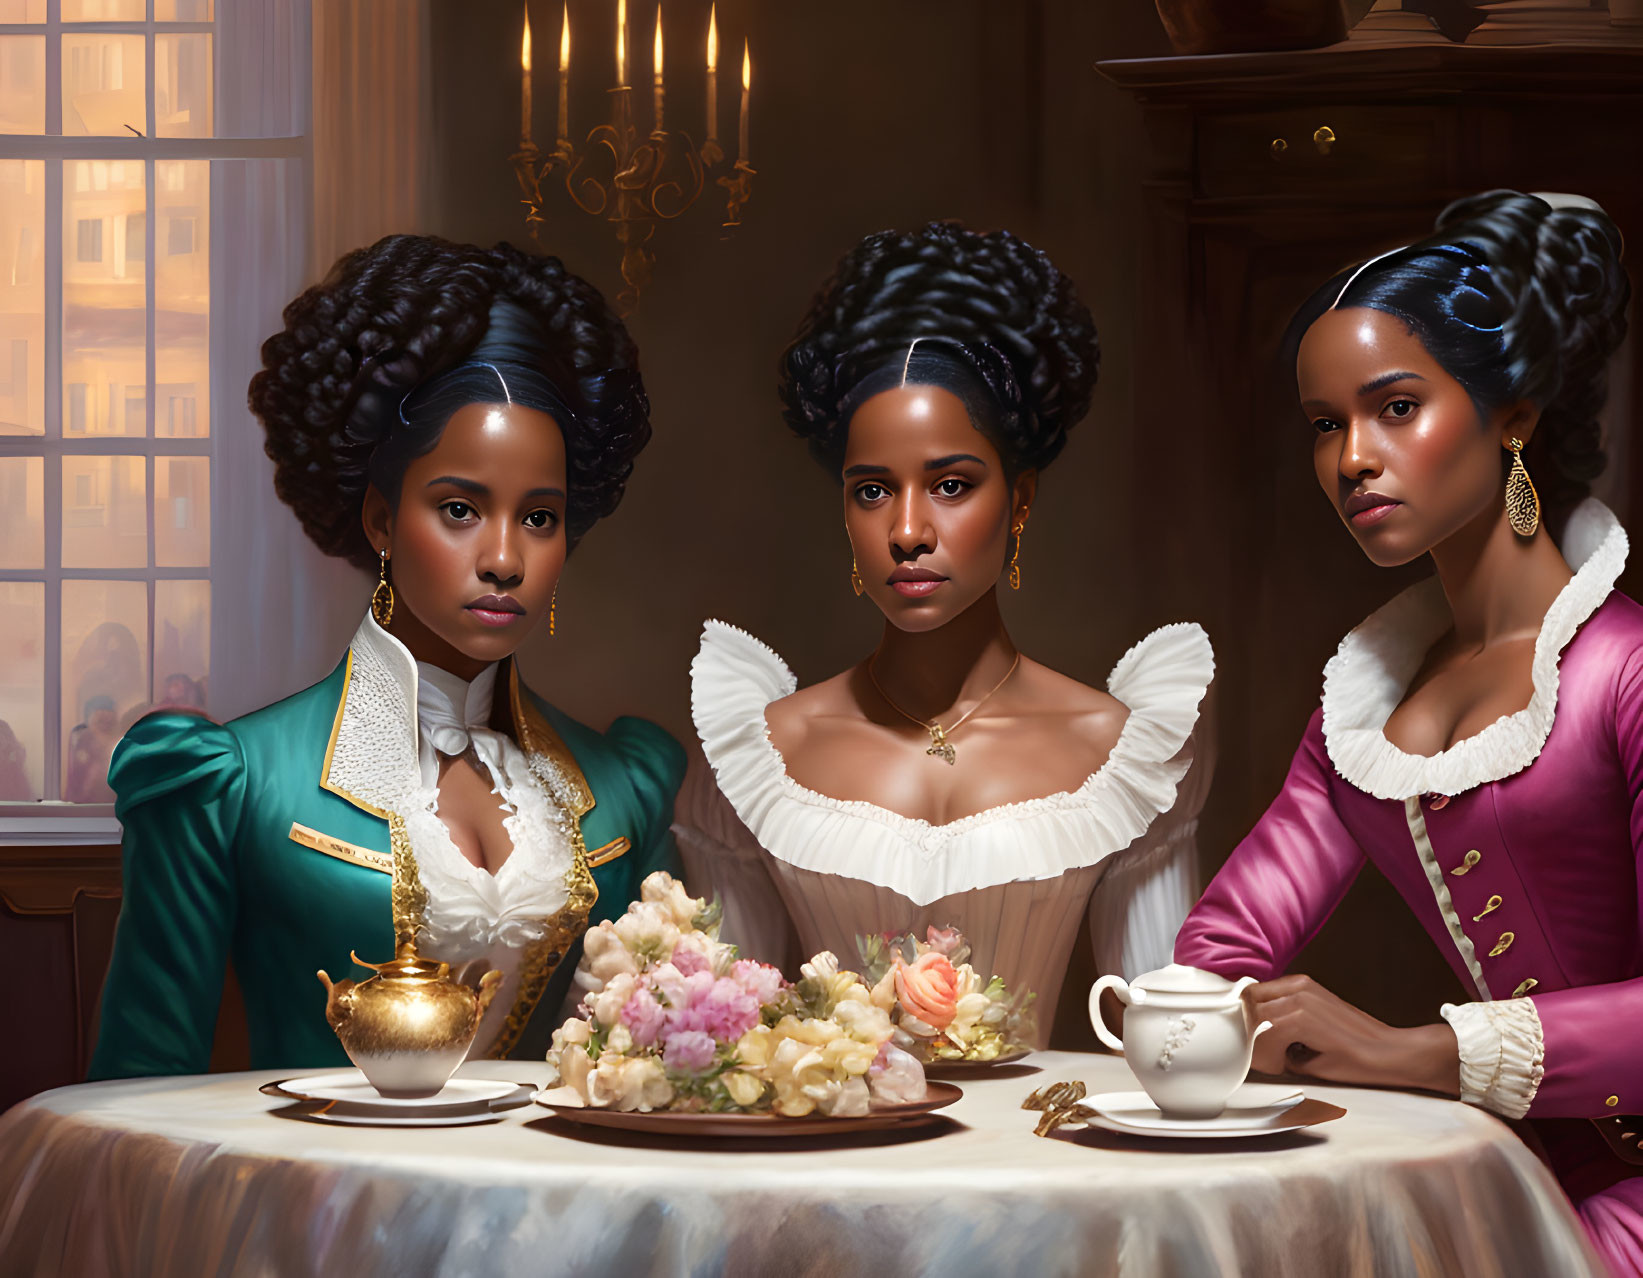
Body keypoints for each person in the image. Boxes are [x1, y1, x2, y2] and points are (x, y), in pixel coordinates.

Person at [1173, 190, 1641, 1270]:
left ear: (1511, 414)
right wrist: (1219, 1018)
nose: (1350, 458)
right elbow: (1221, 945)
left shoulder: (1621, 670)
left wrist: (1411, 1051)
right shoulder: (1370, 702)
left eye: (1394, 408)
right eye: (1325, 423)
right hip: (1486, 1174)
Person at [90, 235, 683, 1077]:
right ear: (378, 519)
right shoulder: (230, 781)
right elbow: (136, 1095)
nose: (506, 557)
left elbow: (673, 1067)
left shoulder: (625, 787)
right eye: (459, 509)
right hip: (316, 1205)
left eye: (540, 517)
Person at [678, 221, 1215, 1042]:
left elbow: (1171, 1041)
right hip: (823, 1163)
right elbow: (714, 1046)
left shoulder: (1118, 746)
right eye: (870, 491)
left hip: (1037, 1159)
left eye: (951, 485)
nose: (907, 530)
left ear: (1021, 500)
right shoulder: (758, 751)